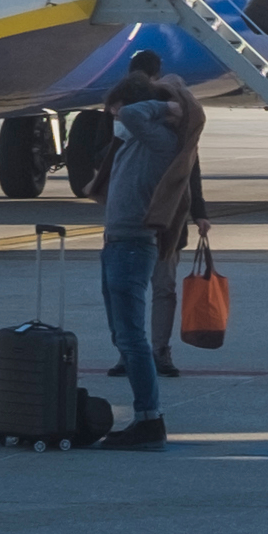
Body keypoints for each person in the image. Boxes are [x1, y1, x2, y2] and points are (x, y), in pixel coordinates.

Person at [94, 71, 205, 448]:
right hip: (115, 243)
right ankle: (147, 416)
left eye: (117, 111)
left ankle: (148, 418)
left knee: (131, 337)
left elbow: (134, 116)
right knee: (121, 334)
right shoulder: (135, 142)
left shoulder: (159, 140)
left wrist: (166, 105)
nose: (116, 119)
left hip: (132, 245)